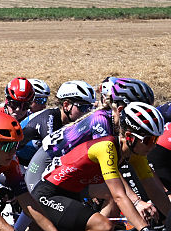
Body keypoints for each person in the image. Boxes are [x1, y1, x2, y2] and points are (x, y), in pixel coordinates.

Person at [30, 102, 165, 231]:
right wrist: (145, 230)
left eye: (156, 139)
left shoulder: (135, 155)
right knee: (103, 228)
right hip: (49, 194)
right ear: (129, 137)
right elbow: (119, 195)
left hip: (72, 195)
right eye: (149, 140)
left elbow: (155, 191)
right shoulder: (106, 147)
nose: (154, 145)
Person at [23, 76, 154, 189]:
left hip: (67, 168)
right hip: (43, 165)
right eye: (83, 107)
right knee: (112, 194)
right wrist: (136, 202)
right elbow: (108, 165)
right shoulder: (101, 121)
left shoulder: (120, 125)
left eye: (88, 107)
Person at [16, 80, 95, 166]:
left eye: (90, 107)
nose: (87, 112)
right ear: (66, 105)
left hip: (31, 163)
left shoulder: (67, 121)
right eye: (83, 108)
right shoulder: (48, 118)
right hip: (16, 162)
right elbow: (54, 152)